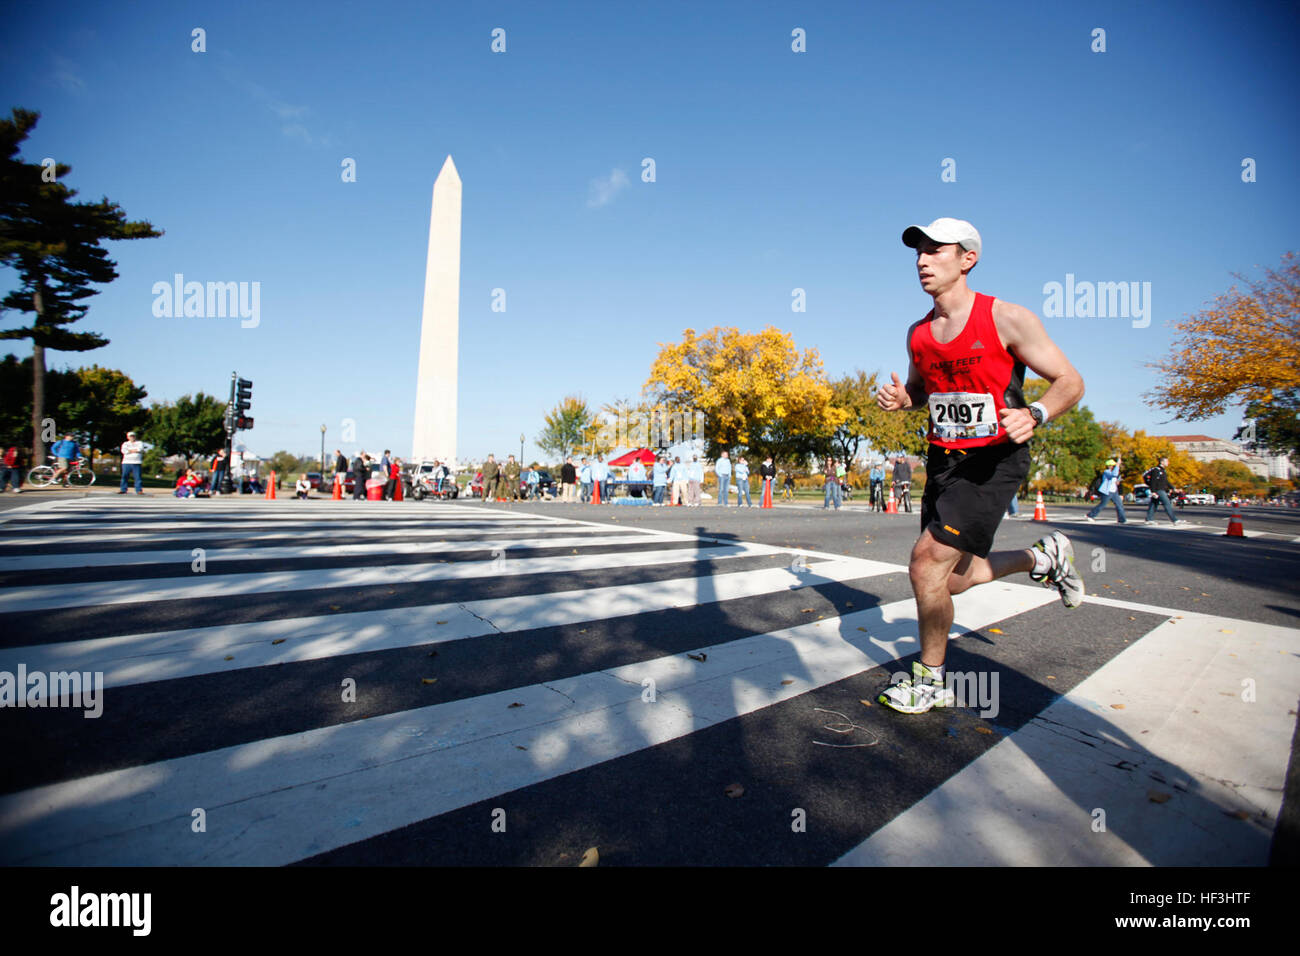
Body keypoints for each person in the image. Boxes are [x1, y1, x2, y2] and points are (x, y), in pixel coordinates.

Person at [875, 217, 1085, 714]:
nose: (923, 261)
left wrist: (1035, 413)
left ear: (967, 258)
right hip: (944, 459)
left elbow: (1069, 381)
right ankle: (1044, 558)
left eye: (935, 251)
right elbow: (923, 390)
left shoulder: (1007, 318)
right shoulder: (919, 333)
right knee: (947, 580)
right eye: (918, 253)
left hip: (995, 459)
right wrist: (904, 398)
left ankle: (930, 680)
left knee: (926, 563)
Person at [1085, 457, 1127, 524]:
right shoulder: (1106, 472)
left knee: (1119, 505)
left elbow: (1117, 480)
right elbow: (1114, 474)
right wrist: (1118, 464)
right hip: (1107, 491)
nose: (1114, 467)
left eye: (1114, 466)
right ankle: (1090, 515)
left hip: (1114, 491)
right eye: (1113, 466)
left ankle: (1122, 520)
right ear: (1109, 466)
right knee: (1103, 504)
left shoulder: (1115, 472)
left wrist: (1120, 489)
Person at [1142, 456, 1180, 525]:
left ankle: (1149, 519)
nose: (1168, 463)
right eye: (1167, 461)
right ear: (1162, 462)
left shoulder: (1163, 471)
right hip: (1158, 490)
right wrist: (1153, 491)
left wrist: (1173, 488)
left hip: (1160, 489)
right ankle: (1174, 520)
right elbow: (1153, 481)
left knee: (1154, 504)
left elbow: (1166, 481)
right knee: (1167, 503)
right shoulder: (1156, 470)